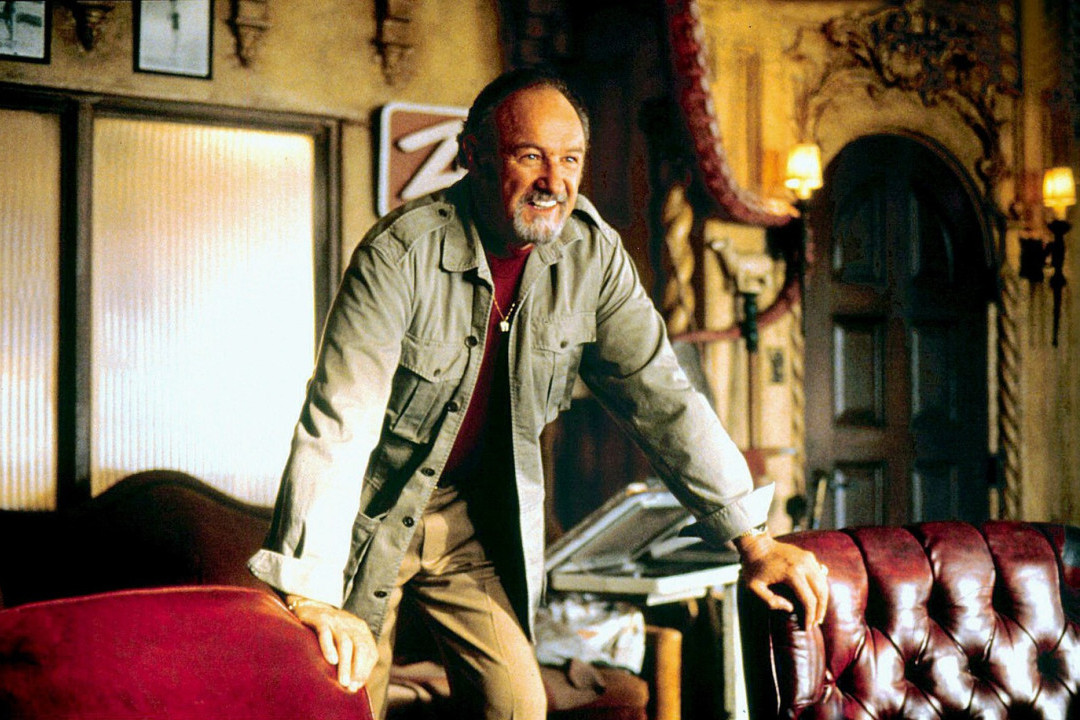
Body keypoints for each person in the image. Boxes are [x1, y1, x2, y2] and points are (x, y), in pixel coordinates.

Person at [248, 67, 829, 720]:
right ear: (473, 156)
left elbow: (663, 396)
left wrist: (753, 541)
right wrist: (312, 592)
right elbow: (341, 418)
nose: (554, 181)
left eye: (570, 159)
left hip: (469, 523)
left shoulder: (592, 257)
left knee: (518, 707)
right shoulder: (399, 255)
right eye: (530, 156)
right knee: (349, 703)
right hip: (368, 515)